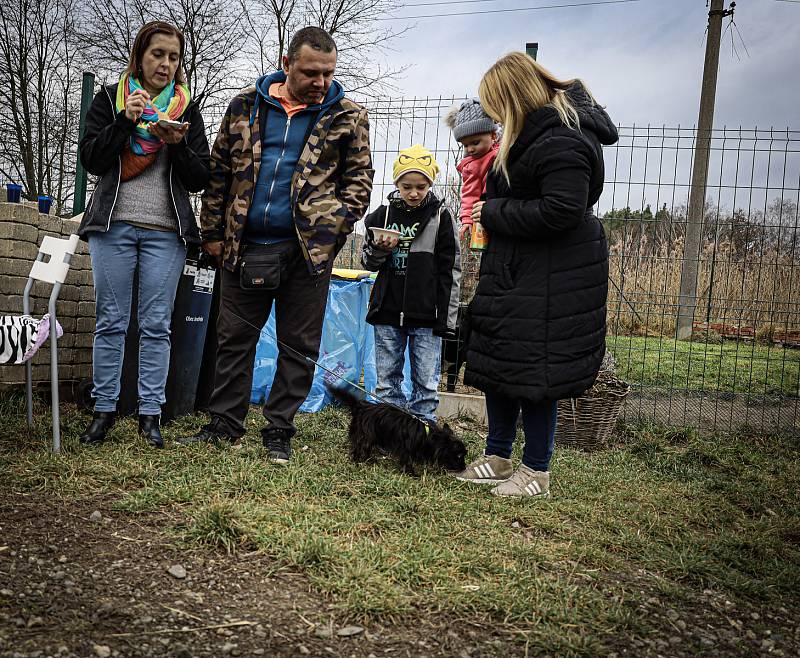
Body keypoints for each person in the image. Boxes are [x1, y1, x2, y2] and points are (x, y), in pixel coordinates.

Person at [178, 27, 374, 463]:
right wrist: (212, 235)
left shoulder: (348, 115)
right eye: (310, 72)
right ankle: (224, 424)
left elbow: (359, 184)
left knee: (297, 345)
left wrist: (332, 230)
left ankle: (279, 430)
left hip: (309, 252)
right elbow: (219, 173)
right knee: (233, 339)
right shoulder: (244, 105)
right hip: (243, 245)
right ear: (287, 65)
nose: (320, 81)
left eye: (327, 73)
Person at [456, 52, 618, 498]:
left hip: (551, 278)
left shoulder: (563, 139)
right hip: (516, 272)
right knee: (497, 363)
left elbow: (563, 210)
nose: (493, 116)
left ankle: (536, 470)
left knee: (537, 377)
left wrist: (494, 211)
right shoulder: (530, 136)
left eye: (495, 104)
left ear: (512, 97)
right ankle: (498, 455)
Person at [77, 21, 210, 448]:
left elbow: (199, 178)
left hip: (166, 233)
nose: (166, 64)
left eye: (173, 57)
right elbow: (92, 161)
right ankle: (103, 411)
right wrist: (124, 122)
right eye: (158, 55)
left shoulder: (186, 110)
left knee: (157, 325)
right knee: (110, 322)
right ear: (140, 56)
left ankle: (150, 415)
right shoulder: (111, 99)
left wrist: (175, 142)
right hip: (113, 227)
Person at [361, 145, 461, 422]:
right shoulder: (380, 217)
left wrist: (447, 319)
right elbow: (368, 263)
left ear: (430, 183)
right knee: (386, 381)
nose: (414, 193)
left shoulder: (441, 217)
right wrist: (380, 250)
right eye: (407, 186)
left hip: (427, 315)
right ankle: (389, 431)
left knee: (426, 383)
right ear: (396, 184)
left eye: (421, 186)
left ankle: (422, 433)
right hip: (387, 311)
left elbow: (451, 271)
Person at [443, 99, 499, 242]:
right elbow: (469, 193)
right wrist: (467, 219)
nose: (470, 149)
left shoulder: (504, 150)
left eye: (475, 143)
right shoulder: (472, 166)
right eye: (465, 145)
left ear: (493, 135)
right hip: (488, 207)